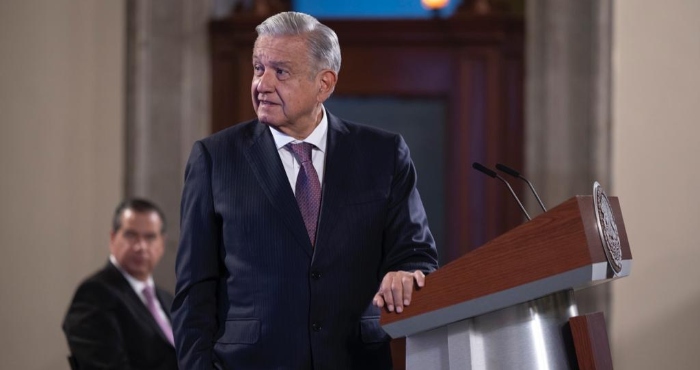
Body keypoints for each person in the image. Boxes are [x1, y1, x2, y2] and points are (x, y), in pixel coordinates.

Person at [172, 11, 439, 370]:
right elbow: (194, 291)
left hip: (355, 360)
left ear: (324, 84)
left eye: (280, 71)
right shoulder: (215, 158)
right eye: (258, 68)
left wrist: (406, 272)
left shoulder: (383, 154)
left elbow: (417, 253)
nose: (262, 84)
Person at [63, 199, 178, 370]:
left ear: (162, 244)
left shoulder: (168, 300)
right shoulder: (94, 294)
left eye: (150, 237)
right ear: (112, 238)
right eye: (131, 235)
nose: (141, 246)